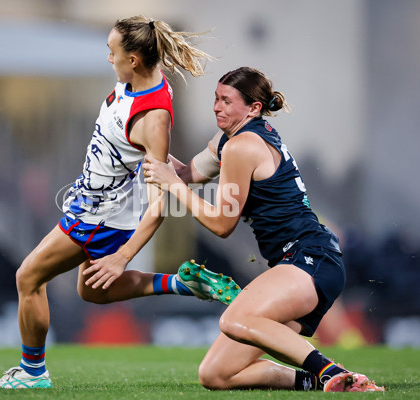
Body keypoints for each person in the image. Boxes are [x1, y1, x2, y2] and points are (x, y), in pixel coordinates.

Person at [0, 16, 239, 389]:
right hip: (94, 208)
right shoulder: (135, 83)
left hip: (98, 218)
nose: (108, 59)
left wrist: (123, 256)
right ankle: (181, 283)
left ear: (133, 58)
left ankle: (32, 373)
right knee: (90, 290)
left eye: (112, 52)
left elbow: (159, 204)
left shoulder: (152, 118)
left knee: (28, 277)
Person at [142, 67, 385, 392]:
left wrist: (171, 185)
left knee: (232, 320)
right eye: (216, 98)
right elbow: (187, 174)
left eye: (227, 100)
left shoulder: (242, 146)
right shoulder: (229, 140)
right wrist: (145, 150)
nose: (217, 107)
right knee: (216, 373)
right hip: (304, 263)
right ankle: (316, 380)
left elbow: (221, 224)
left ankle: (327, 372)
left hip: (308, 258)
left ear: (254, 108)